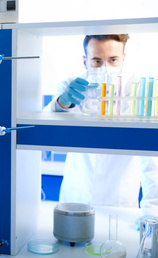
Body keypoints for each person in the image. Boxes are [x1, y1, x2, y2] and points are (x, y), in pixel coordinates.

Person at [44, 34, 158, 219]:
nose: (106, 68)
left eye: (113, 60)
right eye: (97, 61)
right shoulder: (71, 86)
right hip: (75, 196)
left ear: (124, 58)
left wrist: (152, 212)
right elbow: (46, 129)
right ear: (85, 61)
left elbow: (152, 159)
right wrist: (62, 103)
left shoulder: (138, 90)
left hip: (119, 201)